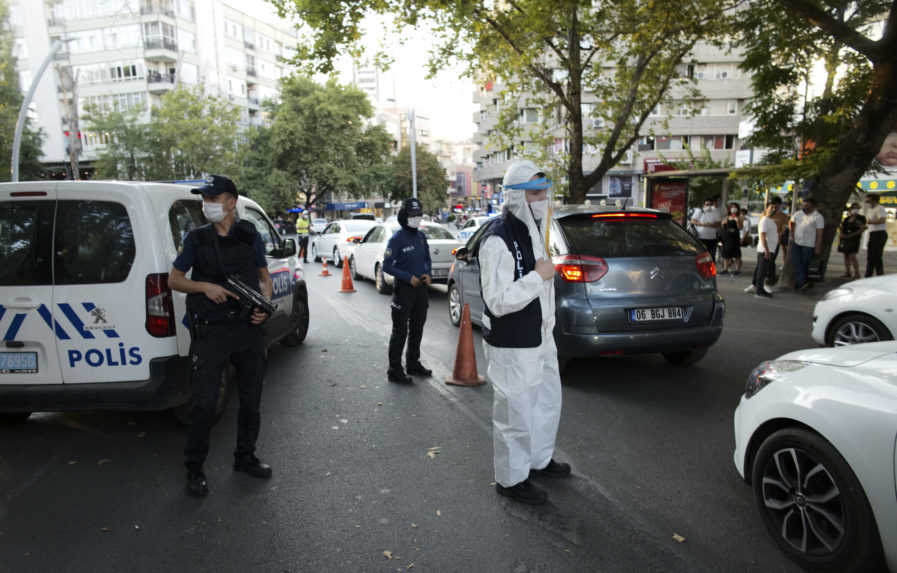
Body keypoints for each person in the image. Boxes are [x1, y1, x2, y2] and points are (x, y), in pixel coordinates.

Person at [168, 175, 274, 498]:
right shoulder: (196, 239)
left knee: (251, 400)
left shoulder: (249, 234)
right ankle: (194, 468)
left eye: (213, 199)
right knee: (203, 404)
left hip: (247, 329)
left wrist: (265, 306)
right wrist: (205, 287)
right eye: (205, 199)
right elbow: (174, 279)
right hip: (212, 332)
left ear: (231, 202)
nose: (207, 205)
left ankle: (245, 457)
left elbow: (263, 277)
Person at [478, 160, 569, 506]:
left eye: (544, 190)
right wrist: (539, 277)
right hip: (513, 343)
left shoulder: (538, 231)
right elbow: (498, 300)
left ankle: (538, 461)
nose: (542, 197)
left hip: (541, 338)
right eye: (534, 192)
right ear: (515, 196)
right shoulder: (497, 238)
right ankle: (512, 479)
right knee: (515, 412)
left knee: (546, 403)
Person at [383, 197, 433, 384]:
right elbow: (388, 266)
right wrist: (407, 277)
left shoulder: (421, 237)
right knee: (400, 331)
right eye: (413, 215)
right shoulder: (396, 240)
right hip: (404, 290)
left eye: (419, 215)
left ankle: (413, 363)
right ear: (404, 217)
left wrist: (427, 273)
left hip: (421, 289)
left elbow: (427, 259)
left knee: (417, 328)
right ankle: (394, 370)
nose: (416, 219)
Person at [789, 197, 824, 291]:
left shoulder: (818, 217)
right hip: (796, 242)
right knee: (797, 263)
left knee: (804, 263)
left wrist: (818, 246)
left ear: (812, 206)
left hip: (809, 244)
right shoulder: (798, 214)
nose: (804, 206)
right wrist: (792, 235)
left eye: (806, 205)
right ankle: (802, 282)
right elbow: (791, 223)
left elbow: (819, 233)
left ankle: (800, 283)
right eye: (803, 204)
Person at [751, 202, 780, 299]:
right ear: (766, 208)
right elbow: (762, 235)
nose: (773, 209)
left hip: (769, 249)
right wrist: (766, 250)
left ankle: (760, 289)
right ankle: (759, 291)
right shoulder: (764, 220)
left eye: (775, 208)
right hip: (765, 250)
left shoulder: (770, 221)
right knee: (762, 271)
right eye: (771, 207)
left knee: (763, 271)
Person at [837, 203, 866, 279]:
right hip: (845, 239)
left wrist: (851, 235)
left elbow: (862, 228)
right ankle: (848, 272)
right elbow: (842, 227)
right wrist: (842, 235)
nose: (855, 210)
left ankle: (857, 273)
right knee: (846, 255)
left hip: (854, 239)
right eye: (854, 208)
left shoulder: (861, 218)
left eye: (857, 208)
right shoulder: (847, 219)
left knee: (852, 256)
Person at [864, 193, 888, 277]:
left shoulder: (880, 208)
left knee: (877, 256)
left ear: (874, 200)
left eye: (868, 199)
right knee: (870, 256)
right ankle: (868, 274)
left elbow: (882, 220)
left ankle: (879, 274)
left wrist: (871, 222)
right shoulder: (870, 209)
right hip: (872, 233)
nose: (867, 201)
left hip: (879, 233)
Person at [720, 202, 743, 275]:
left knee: (736, 254)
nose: (733, 209)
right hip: (727, 238)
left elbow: (740, 227)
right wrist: (724, 223)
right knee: (726, 253)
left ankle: (737, 269)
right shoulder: (727, 217)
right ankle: (725, 268)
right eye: (732, 207)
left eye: (735, 207)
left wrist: (737, 221)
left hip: (735, 237)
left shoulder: (740, 217)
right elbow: (723, 226)